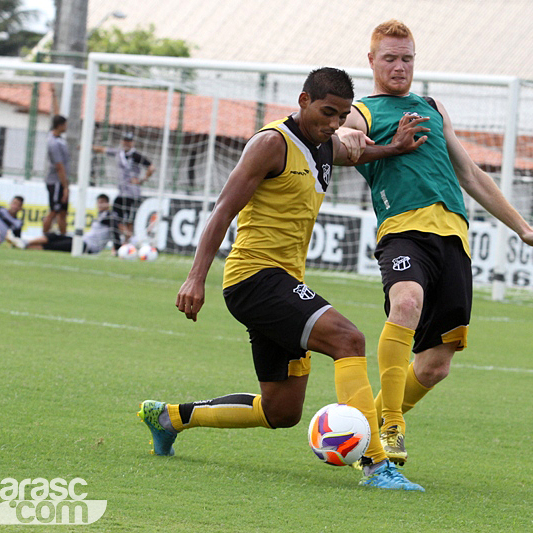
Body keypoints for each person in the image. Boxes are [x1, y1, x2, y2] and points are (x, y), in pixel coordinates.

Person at [140, 67, 429, 491]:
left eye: (341, 116)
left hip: (281, 282)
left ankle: (168, 417)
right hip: (254, 277)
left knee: (282, 411)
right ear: (303, 100)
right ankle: (375, 464)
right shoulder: (271, 143)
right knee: (349, 340)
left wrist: (393, 147)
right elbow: (223, 209)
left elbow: (354, 155)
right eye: (326, 112)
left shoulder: (326, 144)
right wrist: (195, 278)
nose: (333, 123)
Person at [338, 20, 533, 467]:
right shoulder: (362, 110)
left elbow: (472, 175)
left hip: (454, 239)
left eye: (407, 58)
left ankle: (360, 430)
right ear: (371, 61)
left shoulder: (432, 107)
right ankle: (389, 426)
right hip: (403, 230)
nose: (399, 67)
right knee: (406, 303)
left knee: (435, 367)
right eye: (390, 58)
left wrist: (523, 228)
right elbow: (343, 137)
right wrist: (350, 135)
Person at [9, 194, 121, 254]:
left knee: (53, 246)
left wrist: (117, 249)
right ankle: (24, 243)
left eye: (103, 203)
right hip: (82, 240)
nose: (100, 205)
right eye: (99, 202)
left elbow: (115, 230)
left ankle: (23, 245)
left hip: (88, 247)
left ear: (108, 204)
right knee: (53, 236)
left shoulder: (110, 216)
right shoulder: (100, 216)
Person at [94, 132, 155, 243]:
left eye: (129, 141)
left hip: (132, 194)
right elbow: (103, 150)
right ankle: (127, 238)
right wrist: (88, 147)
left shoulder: (136, 156)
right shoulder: (119, 153)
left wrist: (142, 180)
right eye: (125, 140)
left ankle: (128, 241)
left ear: (132, 143)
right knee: (116, 217)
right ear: (122, 141)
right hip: (122, 193)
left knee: (129, 219)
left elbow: (151, 167)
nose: (126, 143)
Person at [43, 115, 70, 235]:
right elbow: (59, 166)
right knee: (54, 211)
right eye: (65, 124)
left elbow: (57, 113)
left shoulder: (58, 138)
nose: (67, 127)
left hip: (62, 182)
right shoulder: (53, 143)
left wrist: (54, 97)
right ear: (60, 125)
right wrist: (65, 187)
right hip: (56, 182)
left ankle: (63, 237)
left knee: (63, 212)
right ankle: (44, 237)